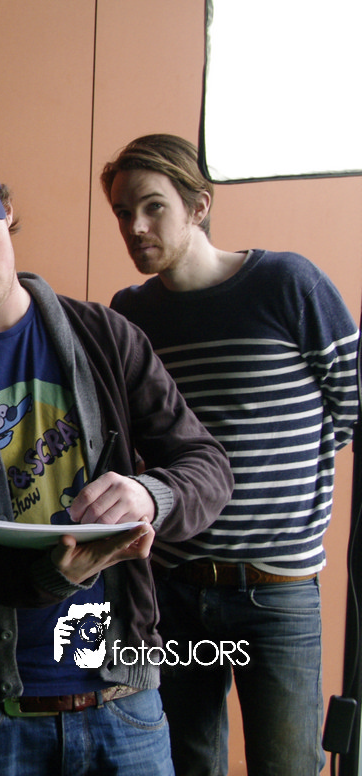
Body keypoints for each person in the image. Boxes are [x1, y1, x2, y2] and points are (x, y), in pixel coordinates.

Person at [0, 135, 234, 775]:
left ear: (7, 211)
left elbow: (206, 465)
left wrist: (150, 495)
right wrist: (50, 576)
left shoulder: (105, 335)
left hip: (125, 700)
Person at [101, 133, 361, 776]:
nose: (135, 227)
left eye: (153, 207)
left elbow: (351, 407)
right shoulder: (130, 313)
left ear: (199, 206)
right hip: (175, 590)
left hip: (277, 592)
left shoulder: (287, 283)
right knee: (185, 763)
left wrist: (284, 470)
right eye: (123, 212)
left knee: (287, 765)